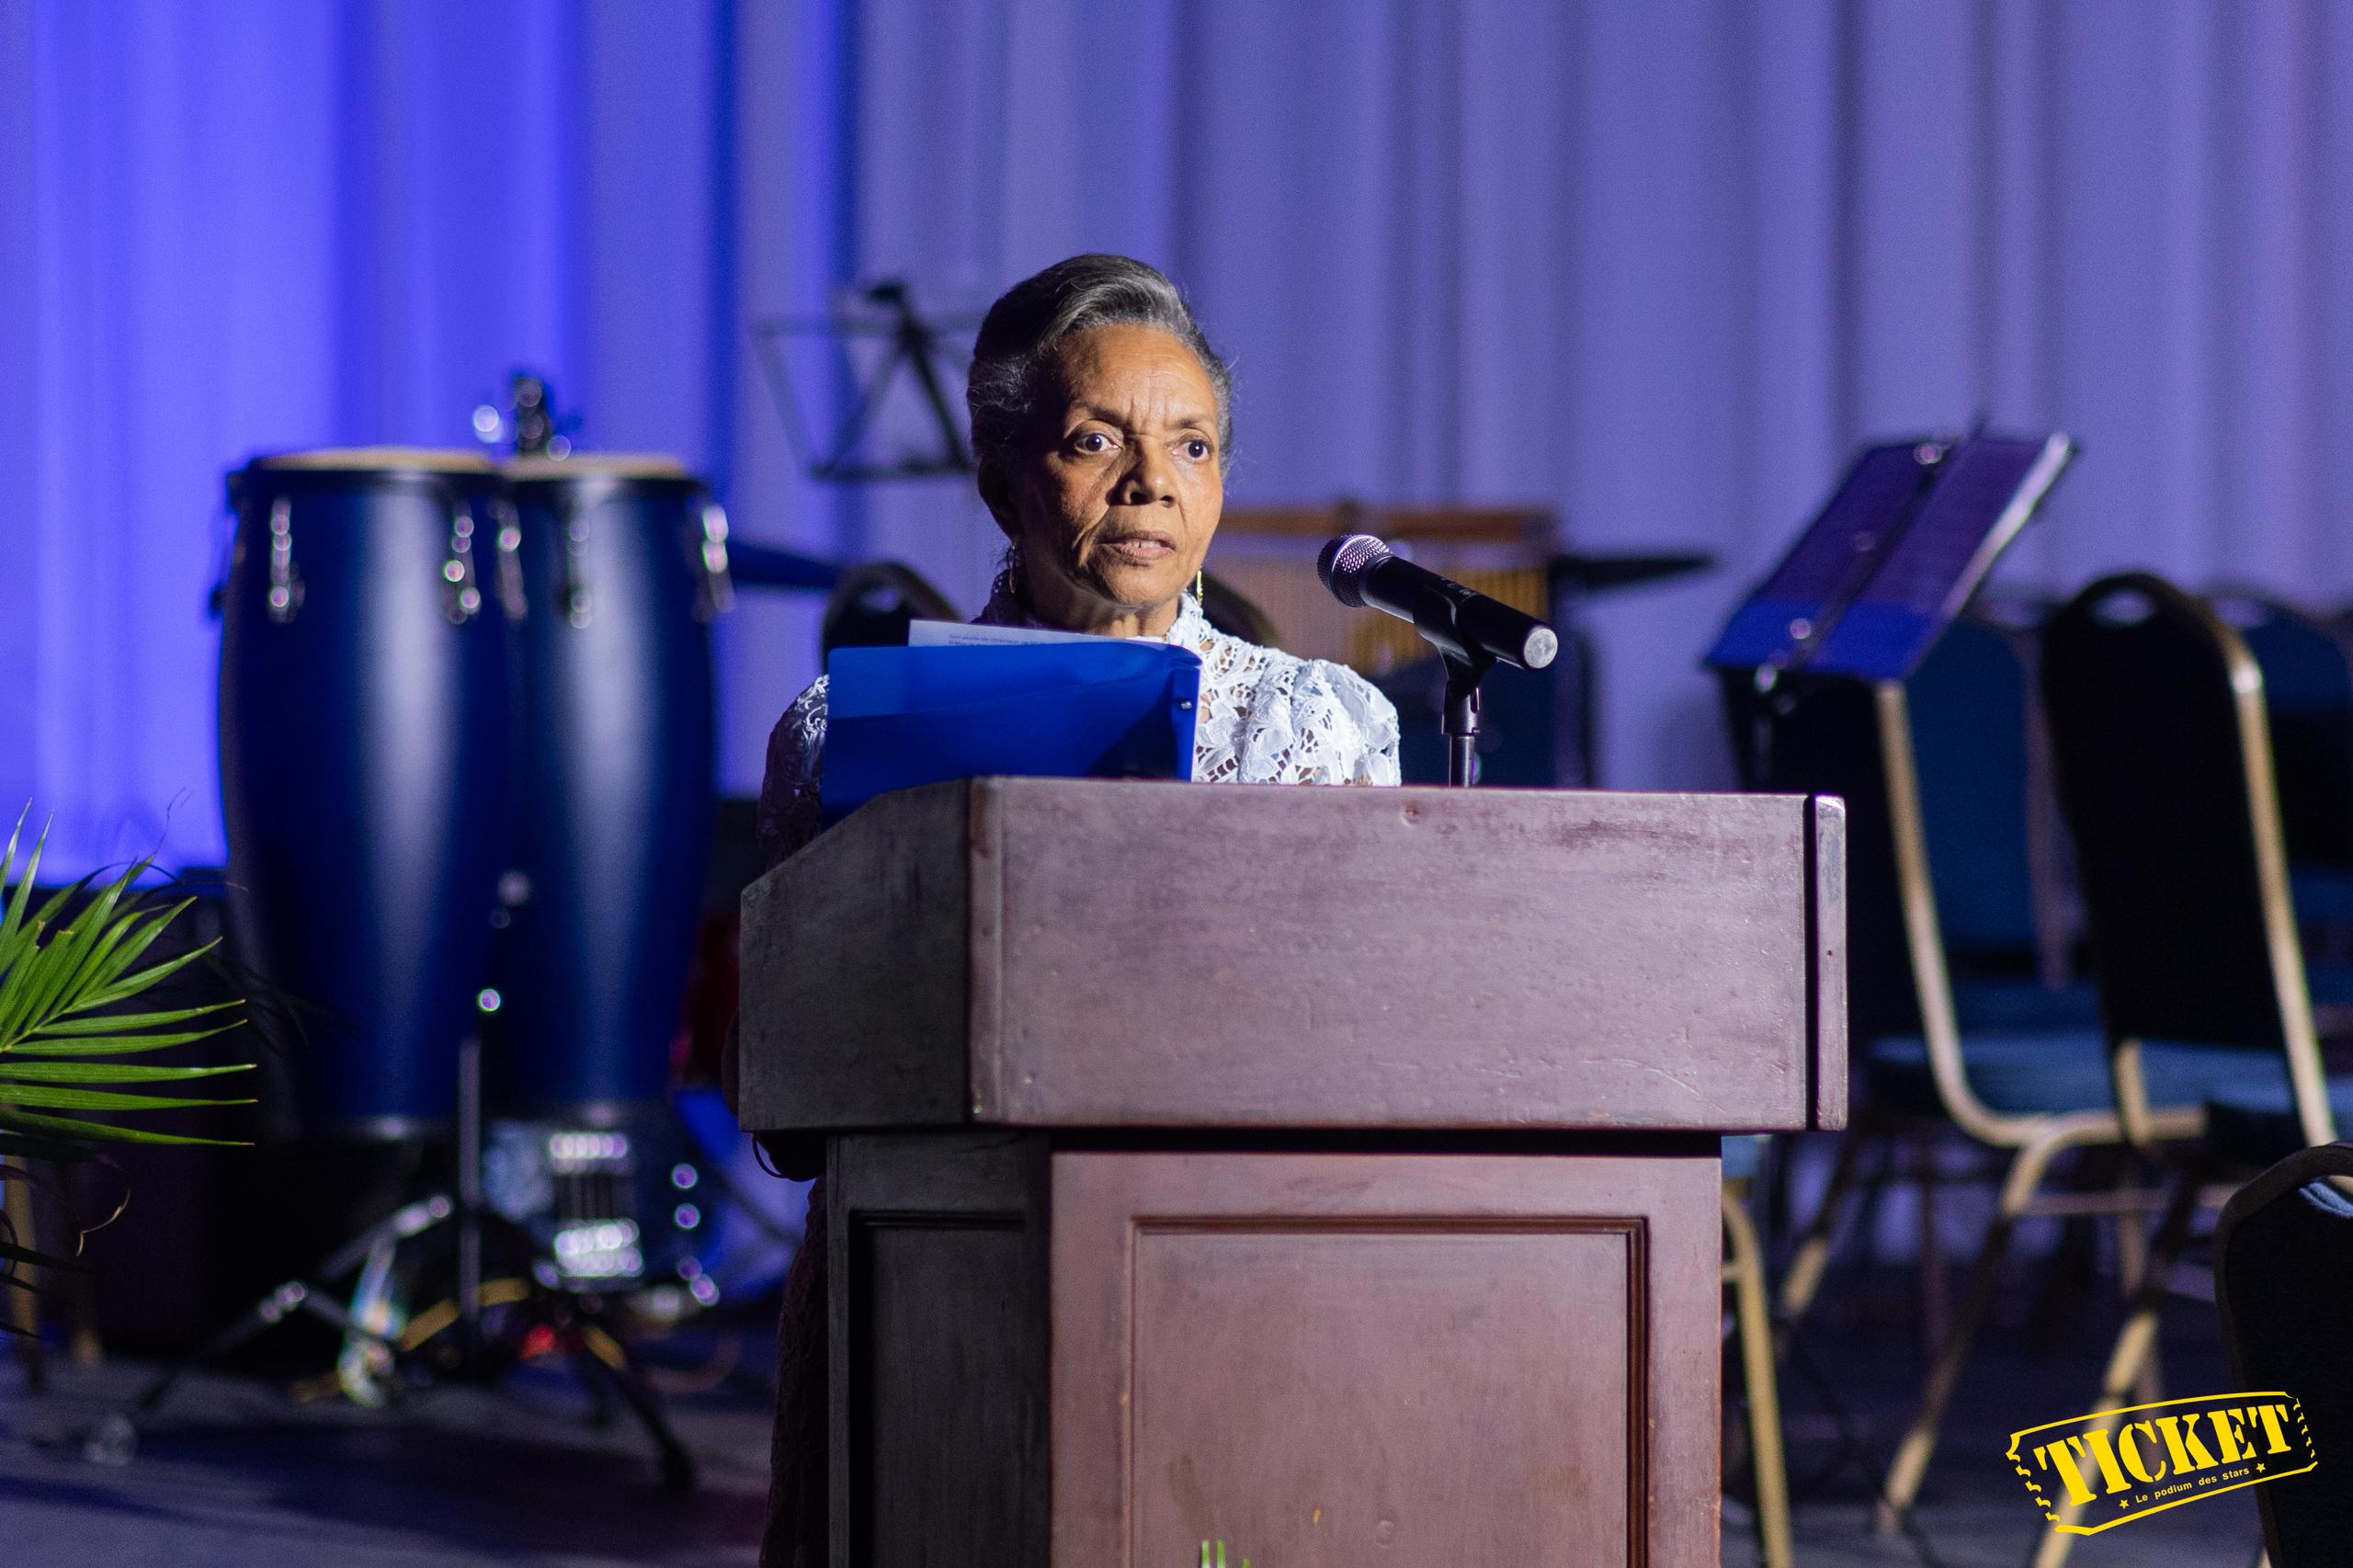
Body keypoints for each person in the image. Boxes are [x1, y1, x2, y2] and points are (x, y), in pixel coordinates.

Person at [749, 253, 1399, 1567]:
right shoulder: (838, 730)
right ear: (1001, 476)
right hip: (927, 1275)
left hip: (1229, 1277)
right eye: (1098, 440)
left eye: (1193, 445)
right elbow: (786, 1094)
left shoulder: (1325, 726)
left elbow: (1360, 1043)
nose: (1152, 481)